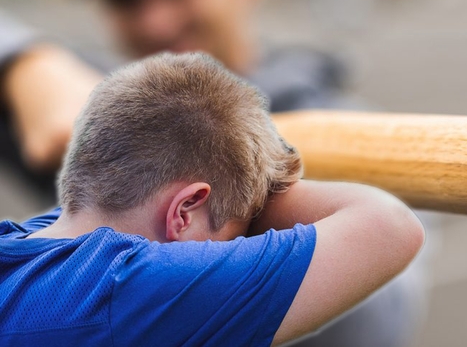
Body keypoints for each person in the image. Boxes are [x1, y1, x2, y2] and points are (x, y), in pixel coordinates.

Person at [0, 0, 430, 344]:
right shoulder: (88, 90)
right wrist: (28, 62)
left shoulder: (360, 128)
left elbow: (372, 325)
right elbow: (388, 230)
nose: (156, 21)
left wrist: (239, 186)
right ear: (184, 210)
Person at [0, 52, 425, 346]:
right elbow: (390, 226)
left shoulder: (21, 244)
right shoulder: (130, 290)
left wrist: (233, 204)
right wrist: (259, 198)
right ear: (184, 212)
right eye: (233, 241)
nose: (229, 254)